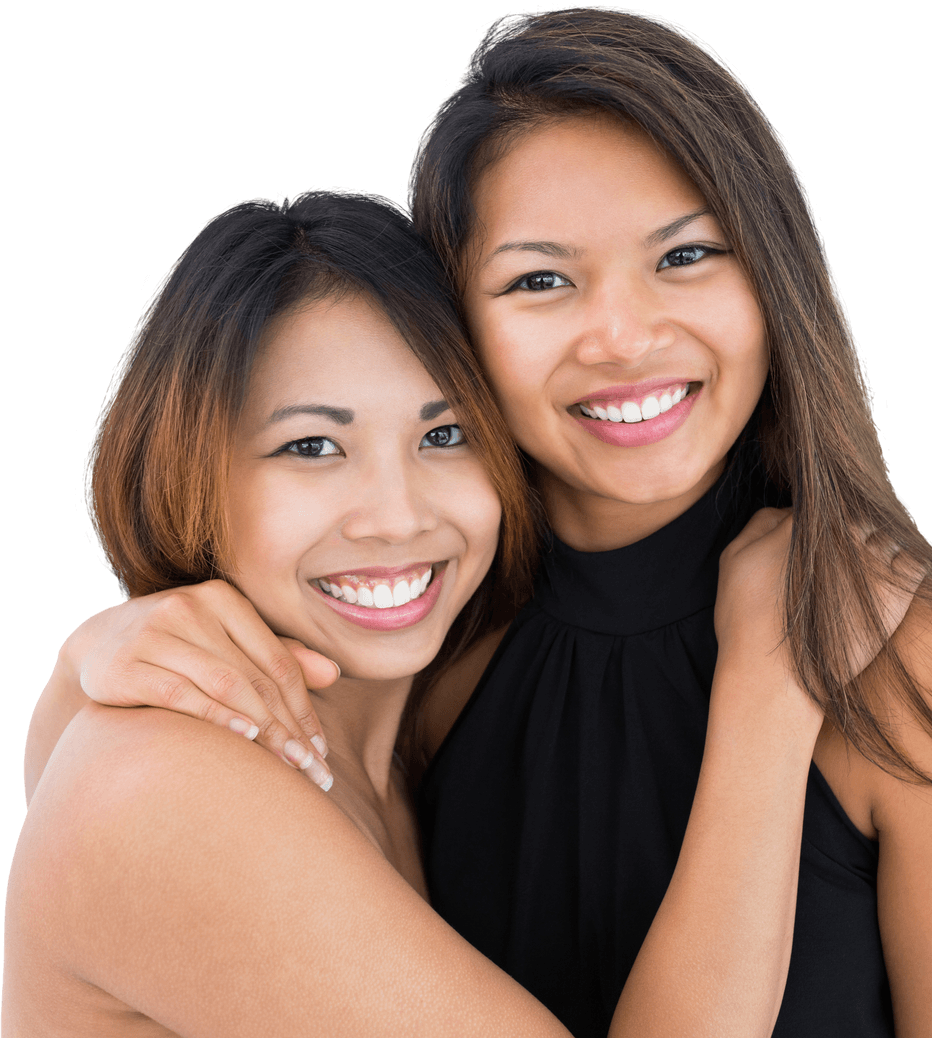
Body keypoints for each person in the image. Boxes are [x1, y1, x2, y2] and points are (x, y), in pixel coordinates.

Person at [21, 8, 932, 1037]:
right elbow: (128, 852)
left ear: (775, 277)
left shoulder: (927, 675)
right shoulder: (427, 657)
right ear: (454, 322)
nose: (623, 336)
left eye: (686, 256)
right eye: (539, 278)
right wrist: (88, 661)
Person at [5, 187, 863, 1036]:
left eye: (445, 436)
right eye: (312, 446)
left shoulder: (406, 757)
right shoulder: (172, 787)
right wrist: (770, 689)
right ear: (183, 472)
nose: (397, 517)